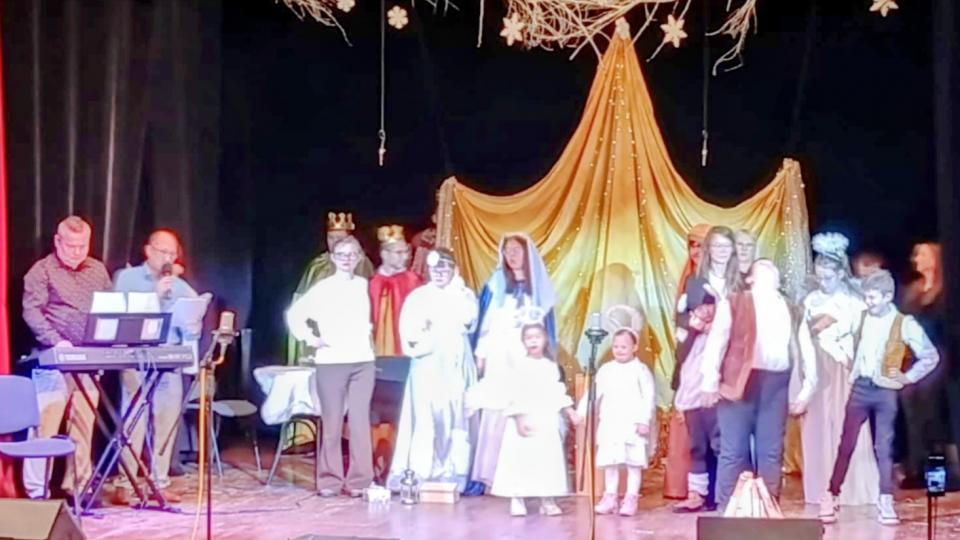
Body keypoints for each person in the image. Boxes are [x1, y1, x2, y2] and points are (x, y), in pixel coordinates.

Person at [819, 270, 940, 525]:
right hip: (861, 388)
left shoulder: (903, 323)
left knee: (884, 447)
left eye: (873, 297)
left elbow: (930, 356)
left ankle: (885, 499)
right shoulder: (860, 317)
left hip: (885, 391)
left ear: (887, 296)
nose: (869, 302)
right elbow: (827, 335)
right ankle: (832, 494)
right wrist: (843, 357)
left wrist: (907, 377)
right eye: (866, 297)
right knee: (846, 444)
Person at [701, 259, 817, 511]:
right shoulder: (734, 303)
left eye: (773, 268)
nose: (770, 271)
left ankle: (768, 508)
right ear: (751, 278)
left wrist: (807, 389)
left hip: (775, 384)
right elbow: (717, 341)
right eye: (763, 267)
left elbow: (805, 349)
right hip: (739, 383)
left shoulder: (792, 308)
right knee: (733, 449)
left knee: (771, 451)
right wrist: (709, 381)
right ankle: (727, 509)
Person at [110, 229, 206, 505]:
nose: (168, 258)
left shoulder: (179, 285)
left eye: (173, 253)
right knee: (134, 420)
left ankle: (159, 481)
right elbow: (120, 315)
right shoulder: (127, 278)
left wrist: (194, 322)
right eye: (163, 252)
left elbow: (194, 316)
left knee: (166, 421)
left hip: (168, 359)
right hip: (136, 358)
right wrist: (155, 295)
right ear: (148, 250)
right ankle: (125, 484)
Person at [21, 216, 112, 500]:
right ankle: (37, 492)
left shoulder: (97, 270)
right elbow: (31, 312)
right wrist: (56, 341)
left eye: (82, 245)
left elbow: (109, 308)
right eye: (71, 245)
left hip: (87, 359)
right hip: (52, 359)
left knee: (83, 426)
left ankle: (79, 488)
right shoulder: (41, 271)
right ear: (57, 242)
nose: (76, 251)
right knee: (45, 427)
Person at [466, 232, 556, 495]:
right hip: (499, 356)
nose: (512, 255)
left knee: (523, 409)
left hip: (525, 357)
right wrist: (481, 355)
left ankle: (523, 475)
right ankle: (491, 474)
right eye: (507, 250)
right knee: (497, 410)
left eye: (517, 250)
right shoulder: (495, 285)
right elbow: (485, 325)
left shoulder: (539, 289)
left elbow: (545, 329)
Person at [285, 235, 376, 497]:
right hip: (331, 362)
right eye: (342, 255)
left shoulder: (365, 286)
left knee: (359, 423)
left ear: (359, 257)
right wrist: (310, 338)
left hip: (362, 361)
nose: (347, 259)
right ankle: (330, 481)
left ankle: (360, 481)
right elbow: (295, 314)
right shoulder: (323, 288)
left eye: (352, 254)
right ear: (333, 258)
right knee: (332, 423)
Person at [386, 249, 478, 491]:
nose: (439, 273)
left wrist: (456, 294)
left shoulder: (463, 295)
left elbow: (468, 321)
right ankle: (421, 470)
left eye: (445, 268)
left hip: (454, 363)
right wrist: (422, 331)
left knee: (453, 414)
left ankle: (453, 470)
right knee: (426, 416)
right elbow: (408, 332)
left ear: (453, 270)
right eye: (435, 268)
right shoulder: (418, 297)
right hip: (428, 363)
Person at [798, 232, 879, 506]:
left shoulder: (854, 303)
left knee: (845, 424)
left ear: (841, 273)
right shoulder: (810, 301)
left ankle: (850, 488)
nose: (824, 282)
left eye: (829, 276)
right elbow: (804, 335)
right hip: (817, 367)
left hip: (844, 368)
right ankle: (821, 487)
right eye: (821, 276)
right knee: (819, 426)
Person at [468, 319, 575, 517]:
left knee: (545, 459)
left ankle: (547, 498)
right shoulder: (519, 366)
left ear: (545, 340)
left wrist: (569, 410)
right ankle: (517, 498)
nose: (533, 341)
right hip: (524, 420)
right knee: (520, 459)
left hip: (544, 419)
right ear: (523, 342)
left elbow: (556, 391)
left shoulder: (550, 366)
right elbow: (513, 393)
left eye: (537, 337)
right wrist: (518, 417)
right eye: (528, 338)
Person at [672, 226, 741, 512]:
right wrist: (696, 322)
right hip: (697, 358)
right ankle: (698, 493)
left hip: (728, 361)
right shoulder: (694, 282)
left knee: (721, 435)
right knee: (698, 434)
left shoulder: (739, 284)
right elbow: (682, 318)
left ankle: (724, 492)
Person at [578, 310, 656, 517]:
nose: (619, 350)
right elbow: (593, 393)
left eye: (624, 347)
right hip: (611, 422)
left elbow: (648, 397)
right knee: (610, 462)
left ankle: (631, 498)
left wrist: (644, 420)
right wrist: (581, 412)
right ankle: (610, 497)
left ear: (634, 347)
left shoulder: (640, 370)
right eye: (616, 346)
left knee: (633, 462)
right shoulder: (606, 369)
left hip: (632, 423)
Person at [286, 212, 373, 366]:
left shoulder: (361, 263)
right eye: (331, 237)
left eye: (340, 238)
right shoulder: (318, 264)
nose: (334, 242)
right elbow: (300, 303)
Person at [665, 223, 711, 500]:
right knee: (689, 426)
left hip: (709, 357)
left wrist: (703, 323)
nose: (696, 250)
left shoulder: (716, 281)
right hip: (689, 353)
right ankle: (685, 487)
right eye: (692, 245)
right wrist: (690, 324)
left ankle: (712, 490)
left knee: (708, 429)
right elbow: (680, 317)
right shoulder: (689, 279)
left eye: (701, 245)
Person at [899, 242, 950, 489]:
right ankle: (916, 468)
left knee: (929, 407)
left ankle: (938, 473)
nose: (915, 258)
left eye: (921, 254)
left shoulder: (945, 290)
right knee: (909, 401)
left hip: (939, 352)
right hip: (916, 355)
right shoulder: (913, 291)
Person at [369, 225, 421, 357]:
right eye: (399, 253)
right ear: (384, 254)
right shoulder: (372, 283)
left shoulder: (413, 281)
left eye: (406, 252)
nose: (405, 257)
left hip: (405, 352)